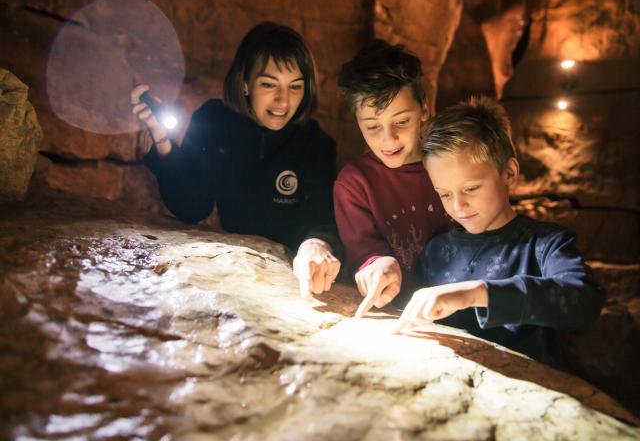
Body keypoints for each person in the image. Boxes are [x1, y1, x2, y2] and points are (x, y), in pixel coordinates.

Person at [131, 22, 341, 295]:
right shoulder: (215, 122)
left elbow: (323, 218)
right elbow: (192, 207)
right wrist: (162, 140)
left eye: (295, 87)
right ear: (245, 84)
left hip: (295, 282)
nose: (283, 101)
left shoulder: (315, 144)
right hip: (232, 278)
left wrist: (318, 242)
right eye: (269, 84)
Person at [393, 96, 605, 364]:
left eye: (471, 188)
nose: (458, 205)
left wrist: (476, 293)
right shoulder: (437, 249)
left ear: (509, 173)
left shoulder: (545, 245)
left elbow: (584, 303)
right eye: (444, 194)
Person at [332, 39, 450, 318]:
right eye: (372, 126)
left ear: (424, 108)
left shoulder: (452, 164)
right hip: (400, 315)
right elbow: (365, 255)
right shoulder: (354, 184)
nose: (389, 139)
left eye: (401, 121)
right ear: (357, 120)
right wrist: (376, 265)